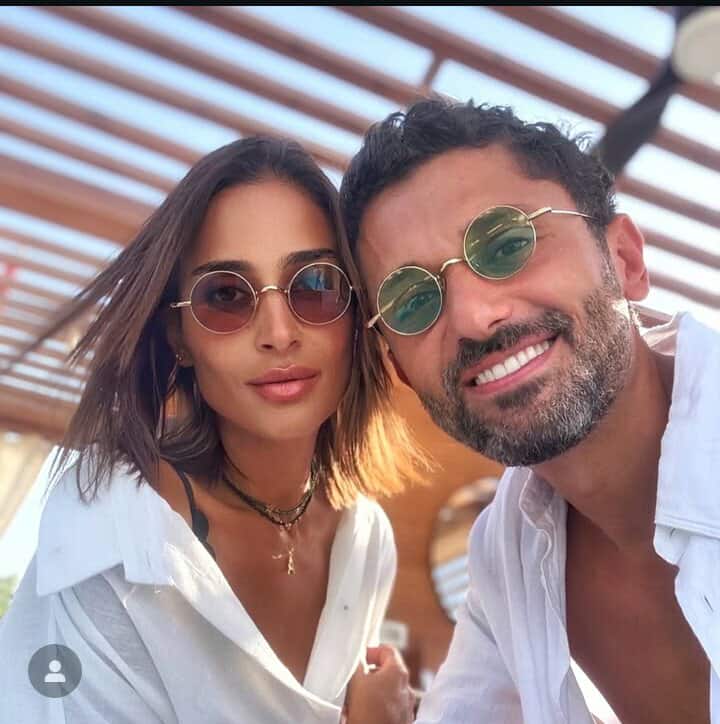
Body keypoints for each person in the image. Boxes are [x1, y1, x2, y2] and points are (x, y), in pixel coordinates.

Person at [0, 136, 419, 724]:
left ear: (355, 312)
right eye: (226, 296)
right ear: (180, 338)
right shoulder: (114, 541)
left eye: (314, 284)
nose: (279, 332)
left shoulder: (366, 542)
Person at [339, 97, 719, 723]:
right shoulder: (506, 553)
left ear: (624, 260)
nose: (472, 317)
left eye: (507, 243)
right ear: (402, 371)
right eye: (412, 301)